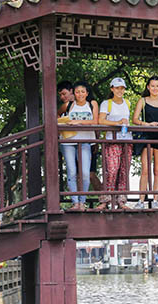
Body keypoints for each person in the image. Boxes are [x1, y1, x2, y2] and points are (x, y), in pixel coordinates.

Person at [132, 76, 158, 209]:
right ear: (148, 87)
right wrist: (148, 124)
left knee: (157, 170)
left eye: (157, 86)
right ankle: (141, 200)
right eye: (152, 86)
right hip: (147, 137)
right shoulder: (142, 101)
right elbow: (134, 119)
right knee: (145, 170)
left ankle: (155, 199)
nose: (155, 88)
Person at [58, 81, 98, 210]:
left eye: (82, 91)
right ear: (73, 93)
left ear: (87, 93)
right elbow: (56, 115)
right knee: (72, 171)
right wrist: (62, 124)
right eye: (77, 92)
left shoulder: (92, 104)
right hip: (68, 141)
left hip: (85, 140)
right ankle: (75, 202)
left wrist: (78, 122)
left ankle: (82, 201)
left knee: (85, 173)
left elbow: (95, 121)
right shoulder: (69, 104)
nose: (80, 94)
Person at [96, 78, 132, 210]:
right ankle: (106, 199)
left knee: (124, 170)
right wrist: (117, 123)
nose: (120, 90)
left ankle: (121, 200)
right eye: (117, 88)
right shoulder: (107, 103)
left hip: (127, 139)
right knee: (112, 170)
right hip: (112, 139)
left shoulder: (127, 102)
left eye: (122, 88)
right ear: (112, 89)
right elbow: (101, 120)